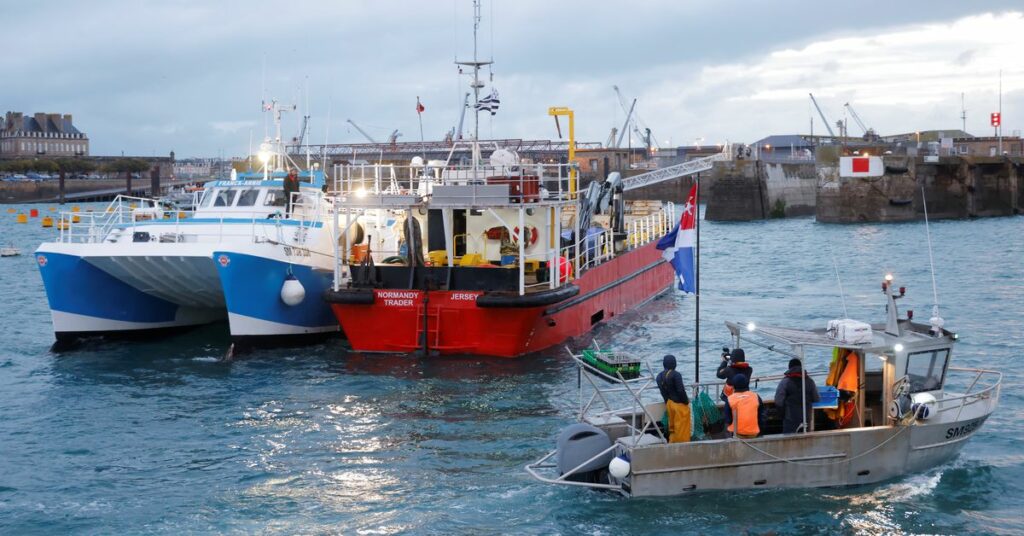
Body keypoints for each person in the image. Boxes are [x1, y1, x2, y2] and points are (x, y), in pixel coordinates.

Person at [774, 358, 820, 434]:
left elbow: (778, 401)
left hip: (791, 418)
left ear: (789, 368)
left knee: (789, 440)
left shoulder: (785, 382)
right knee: (805, 439)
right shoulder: (810, 381)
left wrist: (781, 415)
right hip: (806, 417)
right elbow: (816, 399)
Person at [655, 354, 691, 443]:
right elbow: (681, 391)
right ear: (674, 364)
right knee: (681, 428)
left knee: (672, 428)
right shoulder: (676, 375)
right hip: (679, 405)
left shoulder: (659, 376)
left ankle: (672, 443)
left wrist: (667, 402)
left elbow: (663, 392)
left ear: (664, 364)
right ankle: (683, 445)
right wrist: (686, 401)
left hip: (669, 404)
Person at [726, 374, 765, 439]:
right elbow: (762, 416)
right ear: (747, 384)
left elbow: (728, 419)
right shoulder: (756, 396)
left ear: (734, 386)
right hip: (754, 433)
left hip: (737, 433)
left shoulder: (730, 399)